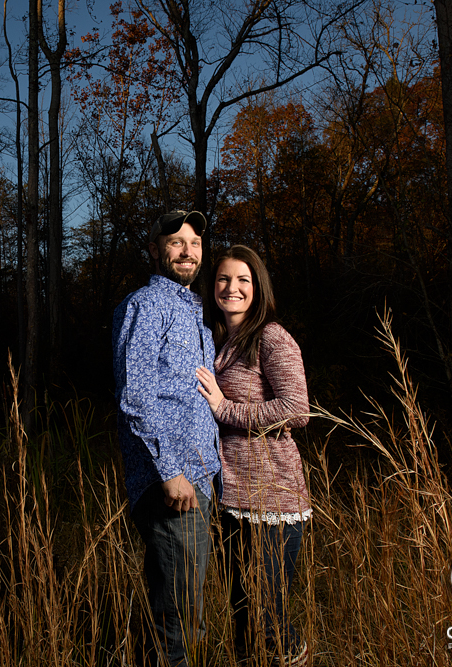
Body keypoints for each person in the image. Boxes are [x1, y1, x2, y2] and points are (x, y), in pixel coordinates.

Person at [112, 210, 221, 667]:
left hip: (200, 476)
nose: (187, 251)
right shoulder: (146, 305)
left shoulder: (194, 310)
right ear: (155, 250)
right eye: (175, 242)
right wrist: (172, 470)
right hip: (172, 481)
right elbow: (135, 393)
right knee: (178, 618)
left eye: (194, 243)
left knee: (184, 604)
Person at [195, 245, 311, 666]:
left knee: (270, 619)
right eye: (224, 279)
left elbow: (297, 409)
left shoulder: (271, 336)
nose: (233, 288)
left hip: (273, 497)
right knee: (243, 615)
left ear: (257, 287)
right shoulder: (217, 340)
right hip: (232, 498)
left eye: (243, 280)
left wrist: (225, 409)